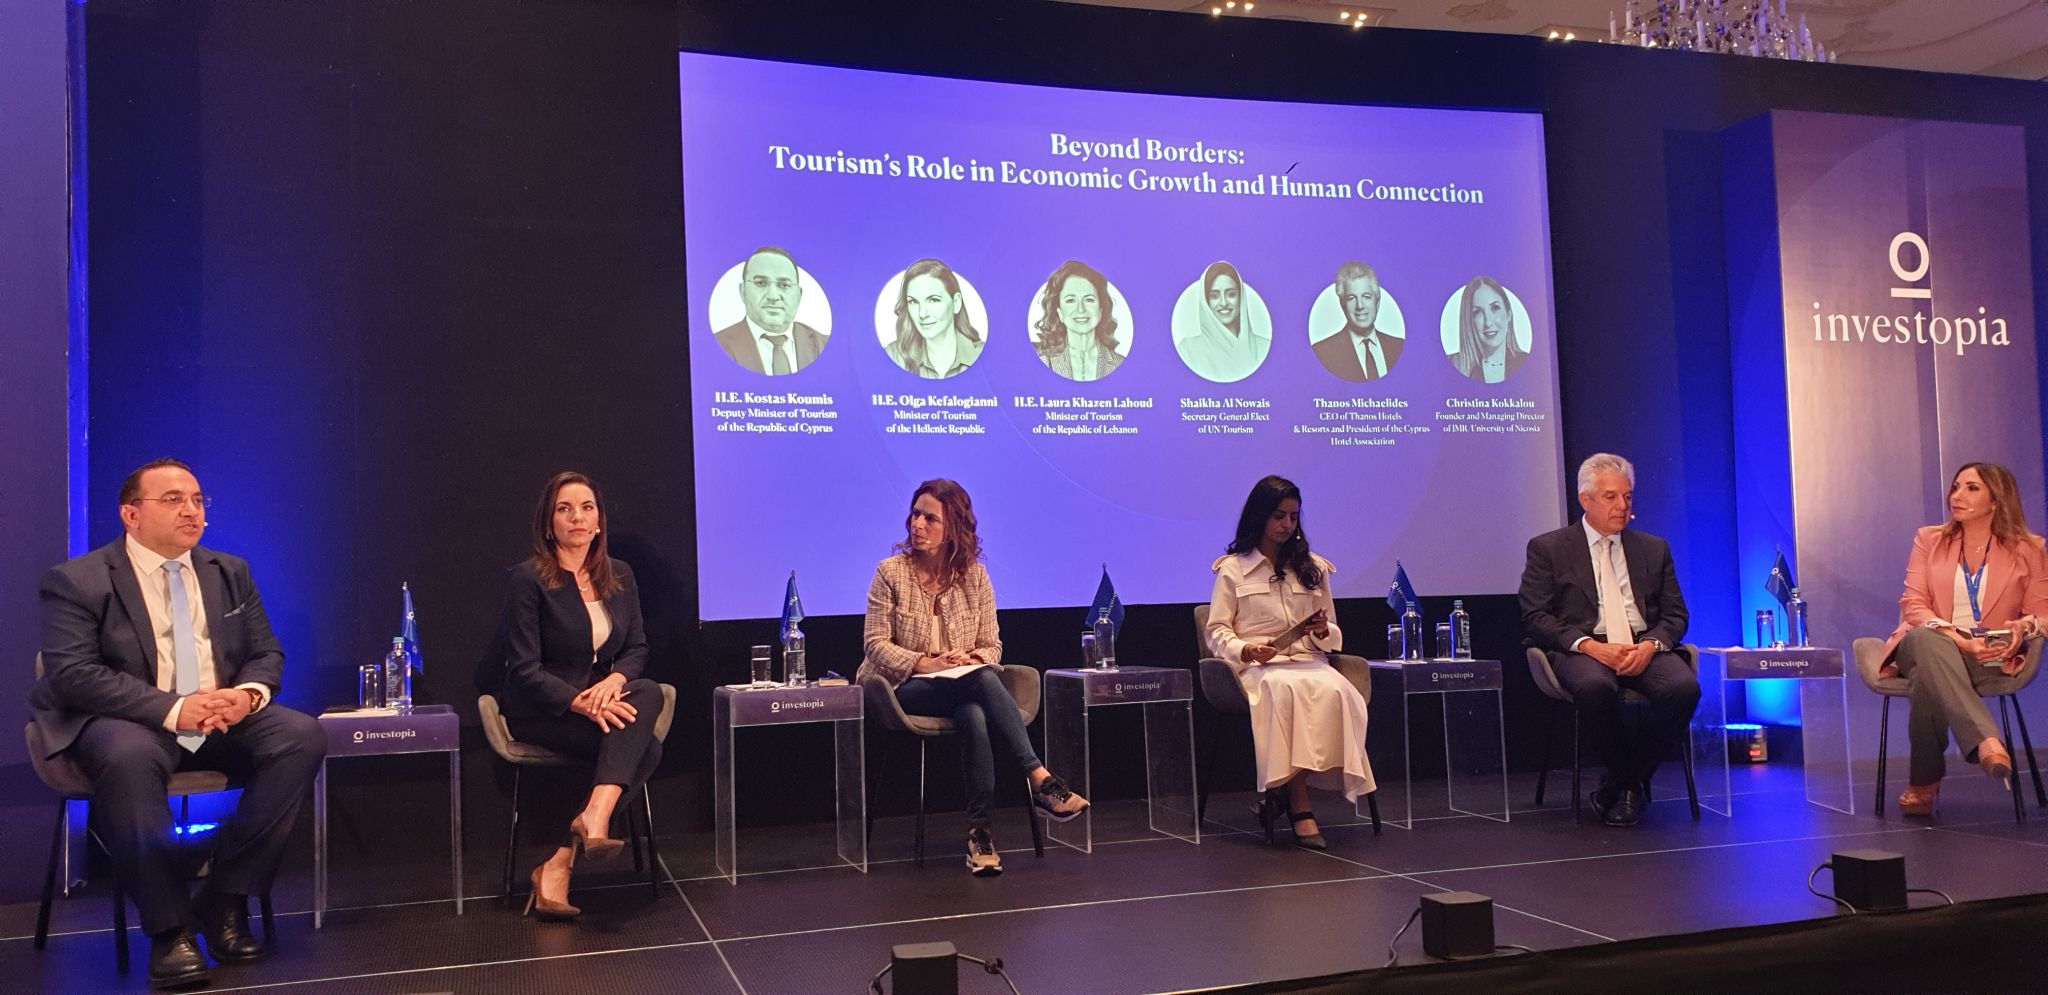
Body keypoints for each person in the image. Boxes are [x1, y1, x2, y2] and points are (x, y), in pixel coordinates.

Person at [32, 458, 327, 989]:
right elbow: (74, 676)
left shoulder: (230, 571)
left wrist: (246, 695)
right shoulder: (77, 581)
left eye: (197, 500)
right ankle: (170, 930)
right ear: (131, 514)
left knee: (299, 736)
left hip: (217, 717)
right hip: (127, 720)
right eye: (172, 500)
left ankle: (223, 897)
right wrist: (172, 708)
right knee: (128, 756)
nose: (191, 510)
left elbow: (266, 653)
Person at [860, 478, 1087, 875]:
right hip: (901, 688)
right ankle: (1039, 777)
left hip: (959, 685)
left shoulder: (975, 577)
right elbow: (875, 644)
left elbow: (992, 645)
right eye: (915, 514)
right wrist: (924, 663)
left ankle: (980, 835)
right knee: (980, 681)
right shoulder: (890, 572)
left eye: (930, 518)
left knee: (974, 712)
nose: (917, 524)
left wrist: (971, 657)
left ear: (954, 528)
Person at [490, 471, 662, 920]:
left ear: (599, 521)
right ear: (549, 524)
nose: (577, 518)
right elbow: (523, 669)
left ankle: (565, 854)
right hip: (543, 708)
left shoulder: (619, 574)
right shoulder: (528, 579)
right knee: (646, 747)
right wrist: (577, 701)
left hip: (599, 701)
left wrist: (612, 682)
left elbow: (637, 648)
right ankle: (579, 837)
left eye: (587, 508)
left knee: (647, 691)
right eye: (564, 509)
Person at [1519, 453, 1696, 827]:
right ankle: (1630, 784)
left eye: (1627, 496)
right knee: (1595, 687)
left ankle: (1619, 784)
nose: (1622, 506)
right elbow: (1536, 617)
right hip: (1583, 648)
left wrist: (1650, 645)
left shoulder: (1653, 548)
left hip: (1641, 644)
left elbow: (1676, 616)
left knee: (1683, 689)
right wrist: (1590, 646)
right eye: (1611, 497)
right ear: (1585, 500)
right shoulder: (1549, 548)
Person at [1205, 475, 1373, 849]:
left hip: (1309, 662)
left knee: (1339, 692)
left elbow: (1331, 630)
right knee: (1285, 691)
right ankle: (1300, 806)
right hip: (1260, 669)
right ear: (1260, 516)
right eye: (1278, 516)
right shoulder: (1233, 569)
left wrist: (1321, 629)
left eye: (1293, 517)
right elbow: (1216, 631)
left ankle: (1282, 794)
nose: (1286, 525)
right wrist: (1246, 650)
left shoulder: (1313, 567)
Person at [1880, 462, 2048, 816]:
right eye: (1956, 487)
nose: (1957, 495)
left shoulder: (2029, 548)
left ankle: (1923, 782)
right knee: (1928, 642)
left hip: (1987, 654)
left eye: (1972, 488)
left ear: (1996, 500)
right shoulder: (1929, 539)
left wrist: (2023, 628)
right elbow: (1913, 603)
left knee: (1928, 678)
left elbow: (2042, 614)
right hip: (1924, 641)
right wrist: (1958, 639)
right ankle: (1986, 740)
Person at [713, 246, 828, 375]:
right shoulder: (714, 346)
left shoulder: (823, 345)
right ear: (743, 291)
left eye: (784, 285)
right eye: (761, 283)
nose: (773, 296)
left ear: (799, 295)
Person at [885, 259, 985, 379]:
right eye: (913, 301)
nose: (922, 314)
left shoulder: (982, 354)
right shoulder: (894, 355)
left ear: (956, 302)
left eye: (933, 300)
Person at [1175, 261, 1270, 383]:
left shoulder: (1263, 347)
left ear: (1241, 297)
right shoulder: (1188, 350)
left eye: (1231, 294)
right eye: (1214, 296)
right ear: (1205, 301)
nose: (1224, 303)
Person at [1032, 260, 1125, 382]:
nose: (1081, 309)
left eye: (1089, 300)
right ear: (1059, 312)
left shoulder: (1119, 363)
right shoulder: (1042, 359)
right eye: (1071, 300)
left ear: (1100, 310)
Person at [1312, 261, 1402, 382]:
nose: (1360, 306)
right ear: (1342, 305)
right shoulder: (1322, 352)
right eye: (1351, 298)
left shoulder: (1398, 346)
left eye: (1366, 297)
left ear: (1377, 302)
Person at [1450, 275, 1528, 384]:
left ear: (1509, 314)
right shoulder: (1455, 364)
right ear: (1469, 320)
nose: (1488, 322)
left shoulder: (1530, 362)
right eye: (1477, 312)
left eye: (1495, 308)